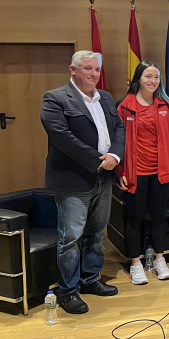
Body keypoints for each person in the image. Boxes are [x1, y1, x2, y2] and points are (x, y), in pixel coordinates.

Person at [40, 51, 124, 314]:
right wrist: (99, 159)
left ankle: (90, 279)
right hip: (73, 180)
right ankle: (68, 291)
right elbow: (63, 138)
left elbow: (119, 129)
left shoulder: (106, 97)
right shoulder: (54, 99)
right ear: (73, 70)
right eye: (87, 68)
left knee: (97, 233)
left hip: (104, 177)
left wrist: (115, 156)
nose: (93, 74)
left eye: (97, 69)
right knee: (71, 238)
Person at [117, 61, 169, 285]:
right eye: (148, 77)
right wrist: (121, 170)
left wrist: (161, 152)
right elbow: (118, 141)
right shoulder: (125, 106)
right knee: (134, 218)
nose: (153, 81)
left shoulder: (166, 105)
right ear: (138, 79)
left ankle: (159, 259)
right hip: (135, 172)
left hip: (160, 172)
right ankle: (135, 264)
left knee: (158, 217)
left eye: (156, 77)